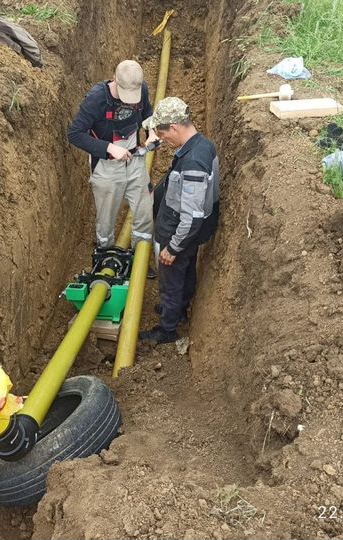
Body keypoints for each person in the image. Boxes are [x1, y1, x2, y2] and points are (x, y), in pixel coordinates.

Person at [138, 97, 220, 345]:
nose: (162, 139)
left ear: (174, 128)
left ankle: (168, 328)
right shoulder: (202, 145)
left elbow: (192, 214)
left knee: (171, 281)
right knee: (185, 274)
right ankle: (180, 309)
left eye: (163, 134)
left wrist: (172, 247)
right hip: (191, 234)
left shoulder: (193, 162)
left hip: (178, 234)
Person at [67, 60, 158, 249]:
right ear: (115, 78)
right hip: (106, 167)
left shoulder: (141, 89)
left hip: (135, 161)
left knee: (144, 213)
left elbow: (147, 114)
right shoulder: (97, 99)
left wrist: (152, 133)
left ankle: (138, 259)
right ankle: (105, 258)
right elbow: (75, 134)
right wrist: (109, 148)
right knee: (106, 219)